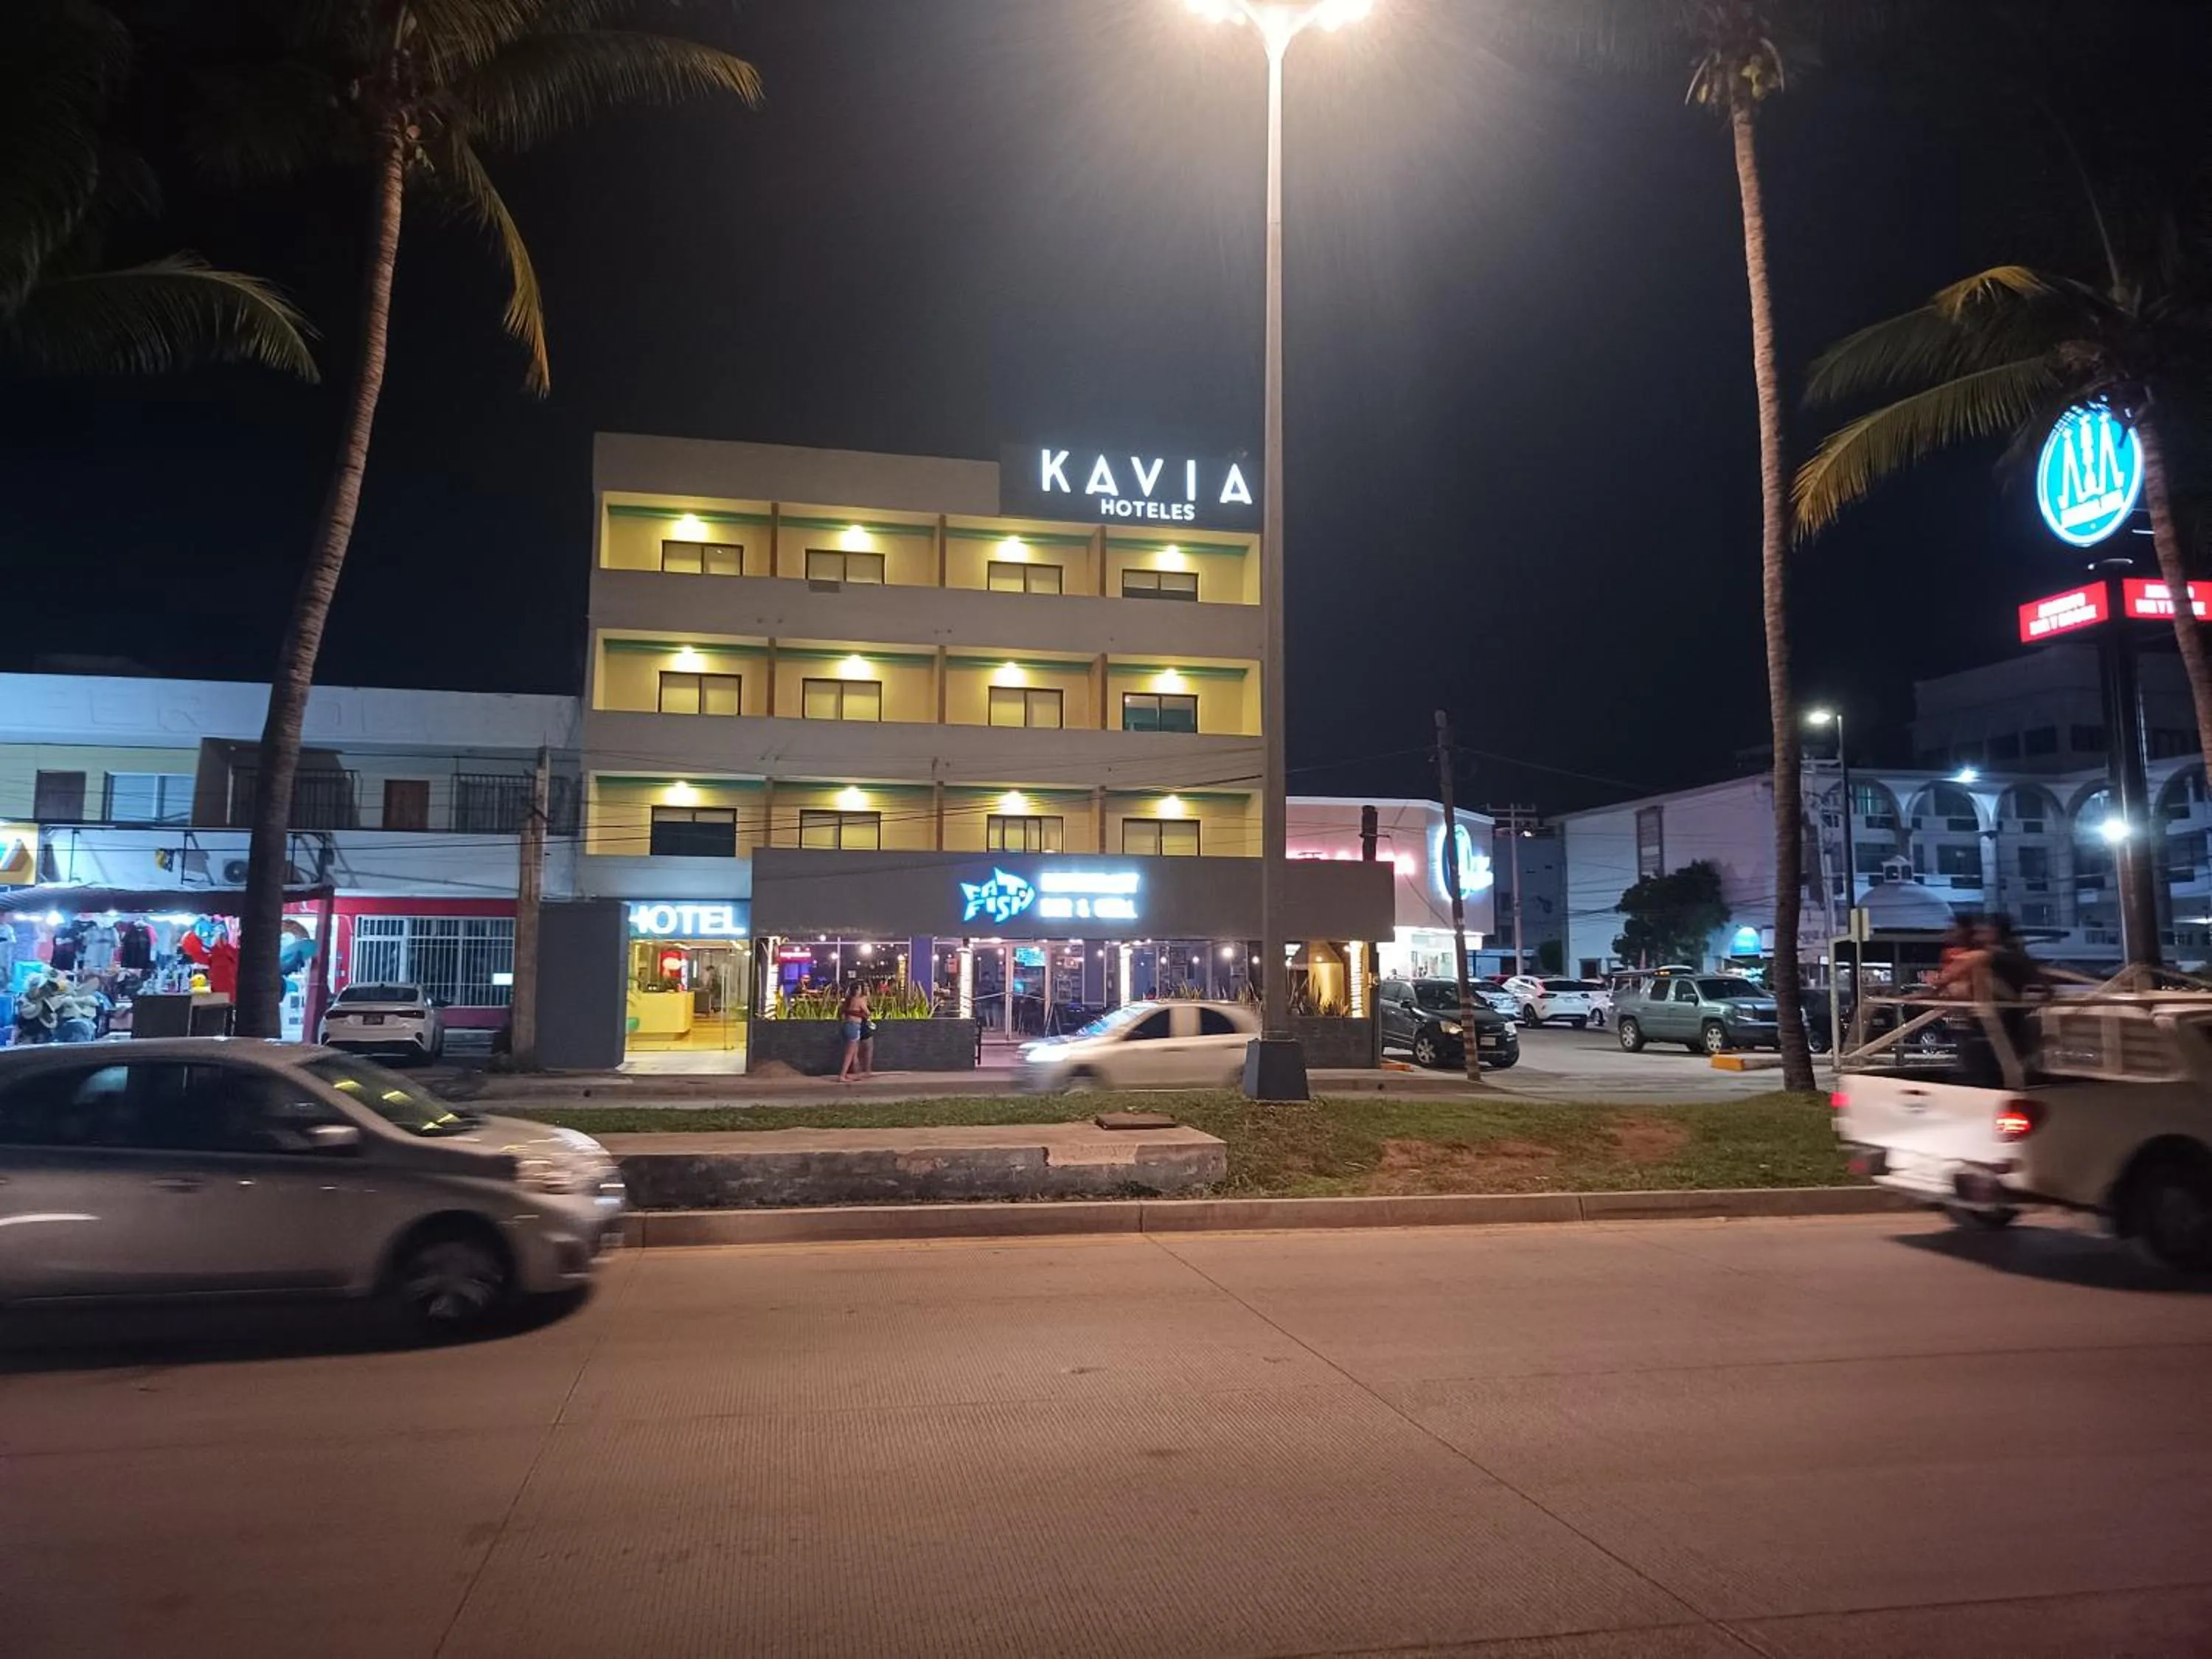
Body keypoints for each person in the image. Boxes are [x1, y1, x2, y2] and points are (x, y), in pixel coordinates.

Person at [837, 978, 872, 1082]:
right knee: (850, 1053)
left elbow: (843, 1012)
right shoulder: (859, 1000)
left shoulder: (849, 1000)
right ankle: (842, 1075)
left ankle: (853, 1074)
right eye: (861, 988)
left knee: (853, 1052)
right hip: (854, 1026)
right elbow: (868, 1012)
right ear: (857, 990)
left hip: (847, 1025)